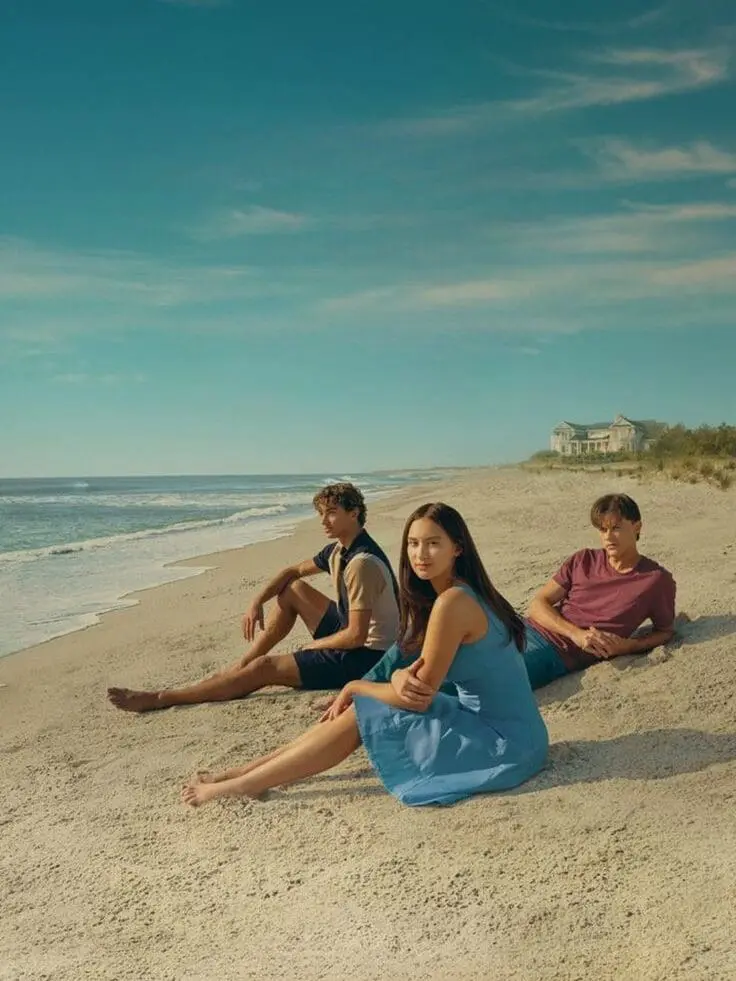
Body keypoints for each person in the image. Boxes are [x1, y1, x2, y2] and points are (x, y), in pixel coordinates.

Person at [181, 502, 549, 808]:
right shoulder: (460, 593)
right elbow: (417, 677)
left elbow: (417, 698)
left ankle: (243, 784)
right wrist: (396, 679)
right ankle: (247, 773)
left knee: (362, 711)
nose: (420, 554)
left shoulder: (453, 602)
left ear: (458, 548)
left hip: (504, 745)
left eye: (433, 543)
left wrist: (357, 685)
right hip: (515, 732)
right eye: (414, 543)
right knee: (367, 705)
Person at [107, 482, 399, 713]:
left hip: (370, 657)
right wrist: (256, 602)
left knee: (265, 669)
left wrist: (315, 645)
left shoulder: (362, 563)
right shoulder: (339, 550)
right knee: (293, 589)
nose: (324, 520)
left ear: (354, 512)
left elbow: (357, 637)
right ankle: (243, 663)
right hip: (353, 634)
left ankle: (160, 698)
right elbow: (292, 571)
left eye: (332, 512)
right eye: (321, 513)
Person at [521, 493, 677, 689]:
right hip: (525, 628)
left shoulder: (655, 579)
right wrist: (576, 633)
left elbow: (665, 632)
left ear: (637, 527)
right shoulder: (583, 559)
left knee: (490, 675)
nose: (608, 537)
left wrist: (628, 646)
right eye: (603, 530)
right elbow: (538, 603)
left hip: (555, 651)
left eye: (616, 528)